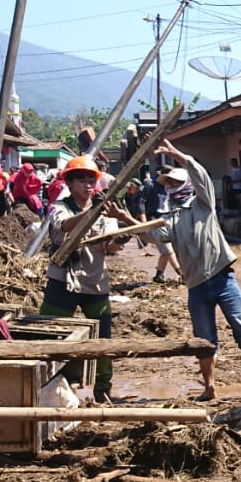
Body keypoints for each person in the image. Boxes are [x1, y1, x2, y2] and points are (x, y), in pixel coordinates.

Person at [150, 139, 241, 402]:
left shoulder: (202, 204)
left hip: (222, 278)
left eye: (174, 182)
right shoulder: (171, 218)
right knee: (204, 339)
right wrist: (126, 220)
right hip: (195, 285)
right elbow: (155, 235)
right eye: (167, 184)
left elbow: (201, 174)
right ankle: (209, 387)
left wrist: (179, 155)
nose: (170, 187)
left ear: (186, 183)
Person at [39, 155, 139, 404]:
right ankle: (50, 386)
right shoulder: (60, 207)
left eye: (90, 180)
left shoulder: (105, 213)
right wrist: (92, 211)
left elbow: (110, 247)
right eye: (81, 180)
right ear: (70, 184)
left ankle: (103, 390)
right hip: (63, 281)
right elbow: (63, 226)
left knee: (104, 340)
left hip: (95, 282)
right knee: (50, 335)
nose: (87, 185)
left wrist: (122, 238)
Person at [143, 166, 182, 284]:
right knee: (168, 250)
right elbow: (141, 202)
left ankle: (159, 275)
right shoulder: (152, 186)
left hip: (166, 220)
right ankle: (181, 273)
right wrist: (144, 221)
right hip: (154, 219)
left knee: (166, 250)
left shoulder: (169, 189)